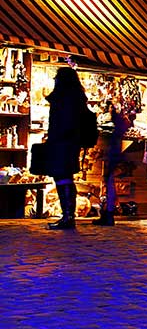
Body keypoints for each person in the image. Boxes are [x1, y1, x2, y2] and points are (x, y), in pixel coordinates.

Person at [45, 66, 90, 230]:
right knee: (66, 178)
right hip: (71, 143)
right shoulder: (77, 97)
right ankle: (68, 215)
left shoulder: (64, 98)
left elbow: (62, 122)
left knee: (62, 177)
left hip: (62, 142)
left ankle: (68, 216)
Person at [93, 100, 130, 226]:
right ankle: (108, 213)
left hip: (113, 155)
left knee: (109, 183)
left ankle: (108, 213)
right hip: (114, 154)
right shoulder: (119, 123)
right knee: (109, 183)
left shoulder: (117, 124)